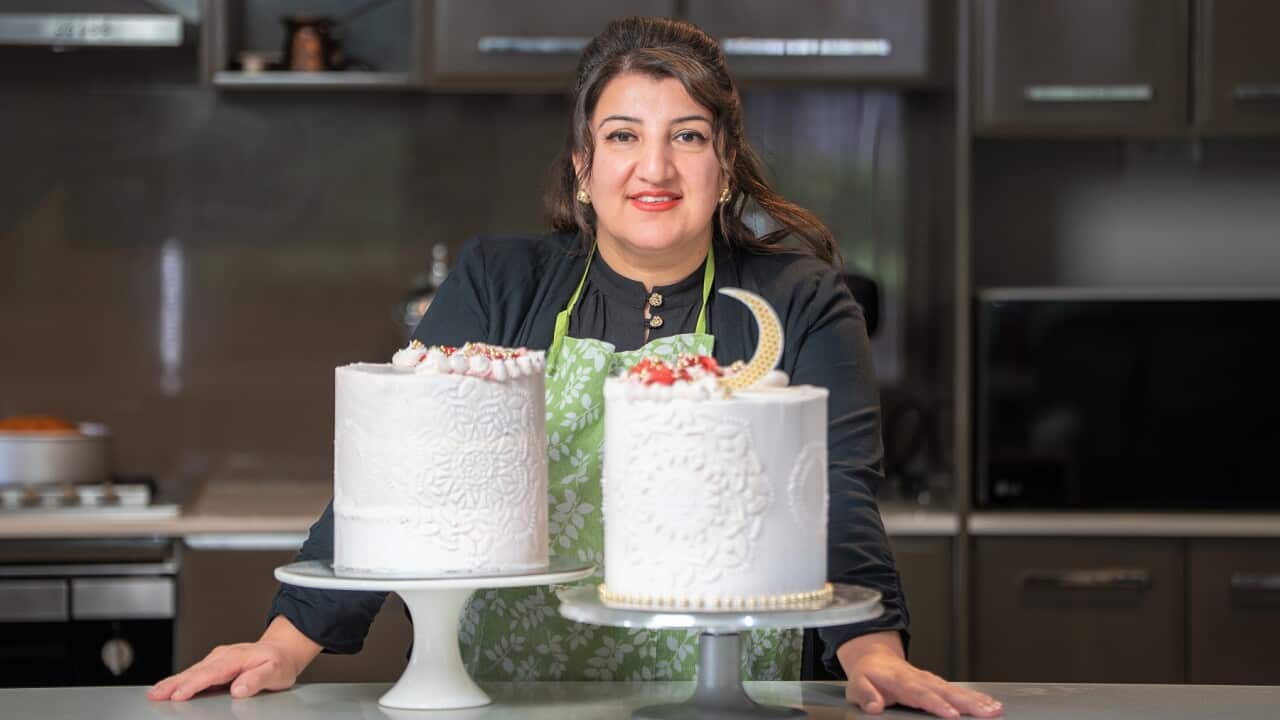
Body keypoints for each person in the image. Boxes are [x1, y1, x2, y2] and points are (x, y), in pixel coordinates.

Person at [149, 16, 1002, 719]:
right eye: (623, 135)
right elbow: (402, 486)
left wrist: (874, 648)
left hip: (731, 700)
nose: (655, 167)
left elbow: (836, 497)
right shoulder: (499, 283)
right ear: (584, 169)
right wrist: (283, 641)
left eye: (688, 137)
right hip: (502, 702)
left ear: (725, 165)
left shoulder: (803, 300)